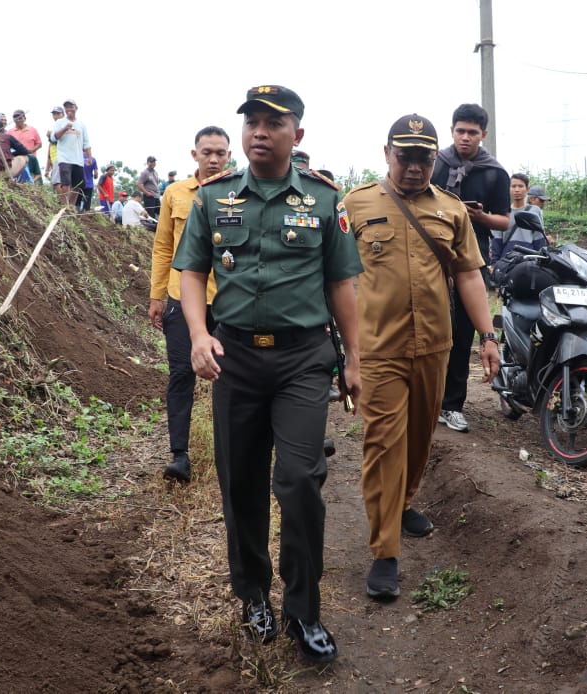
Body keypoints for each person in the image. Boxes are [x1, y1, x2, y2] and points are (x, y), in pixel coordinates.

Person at [172, 84, 362, 665]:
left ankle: (303, 609)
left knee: (301, 480)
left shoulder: (327, 202)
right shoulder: (212, 199)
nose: (259, 131)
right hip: (235, 357)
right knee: (242, 480)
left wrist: (353, 359)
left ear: (296, 135)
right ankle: (253, 594)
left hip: (303, 358)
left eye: (273, 123)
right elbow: (190, 272)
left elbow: (341, 285)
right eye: (252, 121)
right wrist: (201, 336)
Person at [342, 113, 500, 600]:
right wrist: (341, 348)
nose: (413, 167)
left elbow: (470, 276)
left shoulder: (451, 210)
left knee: (418, 435)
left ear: (436, 159)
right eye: (404, 156)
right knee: (384, 443)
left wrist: (488, 335)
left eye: (423, 158)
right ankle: (385, 550)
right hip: (378, 347)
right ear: (387, 154)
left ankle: (404, 501)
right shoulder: (355, 204)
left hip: (434, 343)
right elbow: (338, 278)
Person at [149, 126, 231, 483]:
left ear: (229, 156)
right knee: (181, 375)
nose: (213, 159)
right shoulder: (175, 193)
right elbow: (164, 245)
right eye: (207, 152)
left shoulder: (240, 192)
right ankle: (180, 455)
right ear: (194, 154)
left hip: (230, 301)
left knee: (233, 379)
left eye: (220, 153)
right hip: (182, 299)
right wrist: (156, 295)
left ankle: (230, 449)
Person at [432, 103, 510, 433]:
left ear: (484, 135)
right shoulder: (435, 163)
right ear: (452, 131)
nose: (465, 138)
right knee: (428, 327)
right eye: (460, 131)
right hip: (432, 256)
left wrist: (476, 216)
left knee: (463, 333)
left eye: (472, 133)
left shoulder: (495, 173)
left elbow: (504, 221)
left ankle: (451, 405)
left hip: (471, 258)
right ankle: (424, 399)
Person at [490, 172, 548, 263]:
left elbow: (539, 238)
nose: (517, 190)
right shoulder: (502, 212)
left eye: (520, 186)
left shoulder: (535, 211)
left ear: (527, 189)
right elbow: (497, 241)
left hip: (529, 260)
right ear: (509, 188)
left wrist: (542, 261)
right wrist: (494, 264)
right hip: (506, 261)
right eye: (513, 186)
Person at [51, 99, 91, 207]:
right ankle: (65, 206)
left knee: (78, 184)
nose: (69, 109)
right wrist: (64, 129)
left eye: (71, 107)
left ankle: (71, 206)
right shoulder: (60, 123)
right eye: (67, 107)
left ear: (76, 108)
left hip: (78, 158)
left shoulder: (81, 125)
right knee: (65, 182)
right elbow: (54, 138)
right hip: (64, 157)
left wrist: (89, 157)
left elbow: (86, 142)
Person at [8, 110, 43, 182]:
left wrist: (31, 150)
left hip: (30, 160)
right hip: (16, 161)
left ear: (24, 118)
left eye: (20, 117)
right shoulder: (10, 132)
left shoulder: (32, 130)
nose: (18, 119)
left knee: (33, 179)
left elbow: (39, 144)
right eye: (15, 117)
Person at [44, 106, 64, 192]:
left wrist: (51, 136)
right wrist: (47, 168)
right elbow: (50, 150)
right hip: (55, 157)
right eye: (54, 114)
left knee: (57, 181)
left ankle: (64, 203)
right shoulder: (56, 126)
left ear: (63, 114)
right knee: (58, 181)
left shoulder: (63, 125)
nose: (55, 116)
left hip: (60, 157)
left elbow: (62, 140)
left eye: (58, 114)